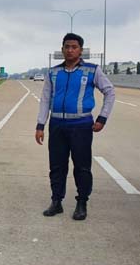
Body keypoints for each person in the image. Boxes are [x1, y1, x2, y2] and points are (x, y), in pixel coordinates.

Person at [35, 33, 115, 220]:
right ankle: (56, 201)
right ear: (62, 49)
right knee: (57, 166)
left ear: (80, 50)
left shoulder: (92, 70)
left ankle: (82, 203)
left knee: (82, 167)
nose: (70, 50)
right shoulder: (53, 73)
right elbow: (45, 99)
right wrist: (40, 125)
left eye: (74, 47)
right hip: (57, 125)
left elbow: (110, 92)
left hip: (81, 125)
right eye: (67, 47)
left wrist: (102, 118)